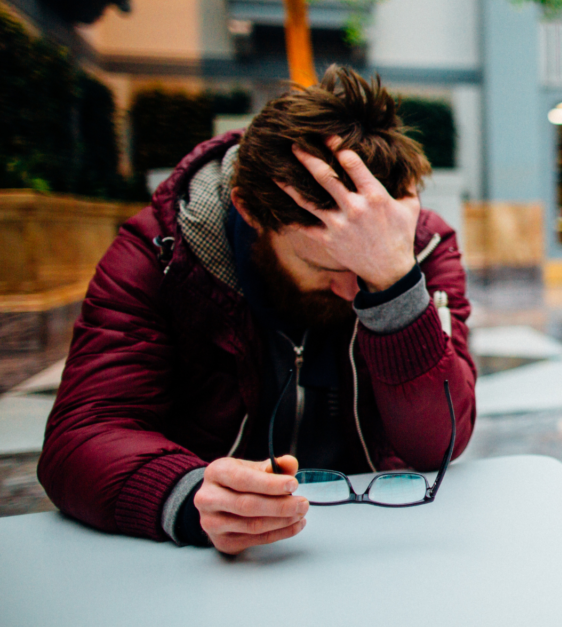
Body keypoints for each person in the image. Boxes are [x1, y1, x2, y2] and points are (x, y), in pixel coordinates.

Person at [37, 66, 476, 555]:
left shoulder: (420, 247)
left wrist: (396, 284)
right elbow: (81, 437)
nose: (354, 290)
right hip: (217, 567)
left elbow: (436, 443)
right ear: (247, 209)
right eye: (324, 263)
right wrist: (188, 495)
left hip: (378, 542)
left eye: (369, 264)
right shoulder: (160, 252)